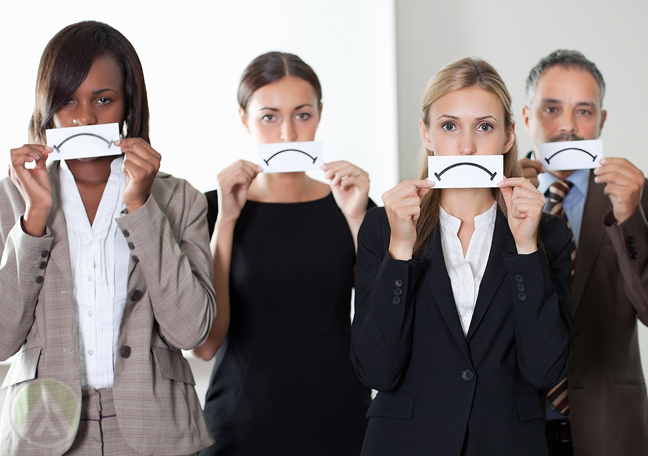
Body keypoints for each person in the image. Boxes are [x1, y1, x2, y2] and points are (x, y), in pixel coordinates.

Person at [0, 21, 216, 456]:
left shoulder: (179, 199)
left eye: (103, 99)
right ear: (47, 109)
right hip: (43, 429)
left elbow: (191, 330)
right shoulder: (12, 199)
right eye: (66, 102)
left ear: (128, 106)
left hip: (156, 428)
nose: (83, 118)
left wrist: (141, 208)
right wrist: (34, 220)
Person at [351, 57, 573, 455]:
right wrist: (400, 252)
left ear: (507, 137)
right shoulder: (381, 227)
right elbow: (374, 369)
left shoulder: (548, 233)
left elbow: (546, 369)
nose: (467, 145)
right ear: (427, 133)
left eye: (484, 127)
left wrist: (526, 250)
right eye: (449, 126)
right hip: (404, 444)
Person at [192, 51, 373, 455]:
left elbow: (387, 327)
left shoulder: (355, 205)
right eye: (269, 117)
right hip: (240, 426)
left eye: (302, 115)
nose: (288, 134)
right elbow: (204, 345)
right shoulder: (208, 209)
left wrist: (358, 217)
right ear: (244, 119)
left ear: (320, 114)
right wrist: (226, 221)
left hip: (342, 420)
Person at [520, 49, 648, 456]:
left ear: (602, 120)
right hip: (515, 423)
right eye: (552, 109)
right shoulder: (490, 196)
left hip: (611, 427)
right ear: (526, 117)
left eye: (584, 112)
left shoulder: (634, 198)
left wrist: (629, 217)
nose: (568, 127)